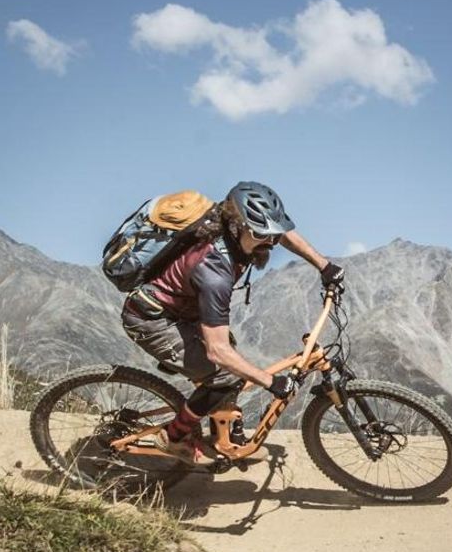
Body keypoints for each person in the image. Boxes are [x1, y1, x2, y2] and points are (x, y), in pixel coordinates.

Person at [120, 181, 344, 463]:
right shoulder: (215, 272)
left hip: (184, 311)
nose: (271, 243)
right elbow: (217, 352)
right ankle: (173, 437)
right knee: (226, 375)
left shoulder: (232, 225)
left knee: (232, 361)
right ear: (238, 227)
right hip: (151, 320)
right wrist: (270, 382)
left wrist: (323, 265)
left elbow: (281, 233)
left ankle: (223, 435)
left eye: (272, 235)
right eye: (263, 235)